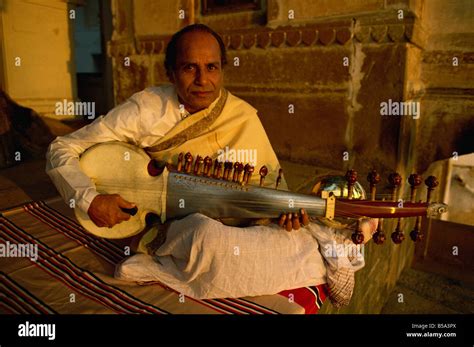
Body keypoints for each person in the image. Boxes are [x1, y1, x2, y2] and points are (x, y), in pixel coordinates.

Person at [46, 24, 376, 305]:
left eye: (212, 67)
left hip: (243, 224)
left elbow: (276, 193)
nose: (203, 80)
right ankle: (158, 266)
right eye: (190, 68)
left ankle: (173, 267)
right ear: (171, 72)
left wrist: (287, 218)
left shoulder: (242, 115)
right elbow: (62, 147)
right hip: (177, 221)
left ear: (222, 69)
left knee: (299, 241)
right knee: (207, 239)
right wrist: (90, 199)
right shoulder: (146, 110)